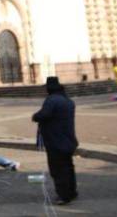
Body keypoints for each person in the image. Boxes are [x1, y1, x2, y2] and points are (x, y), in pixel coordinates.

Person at [32, 77, 79, 205]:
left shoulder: (51, 100)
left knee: (58, 169)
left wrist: (35, 116)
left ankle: (63, 195)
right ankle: (71, 191)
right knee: (68, 167)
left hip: (55, 141)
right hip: (68, 139)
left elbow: (43, 115)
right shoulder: (67, 100)